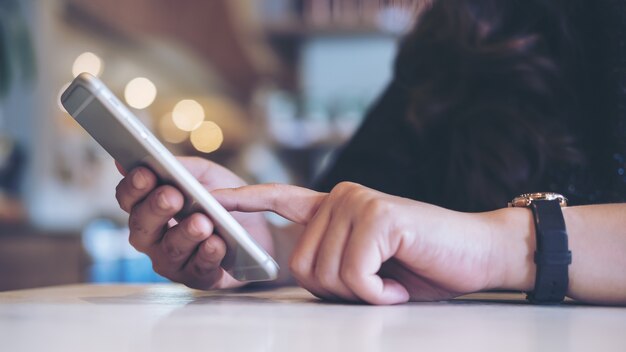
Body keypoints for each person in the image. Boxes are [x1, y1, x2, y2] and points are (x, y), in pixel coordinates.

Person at [114, 0, 626, 305]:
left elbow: (457, 242)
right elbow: (352, 213)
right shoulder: (463, 29)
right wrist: (264, 241)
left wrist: (498, 246)